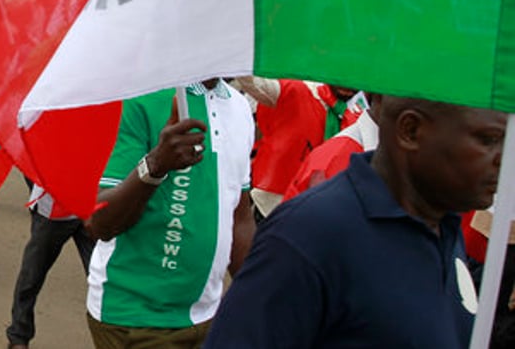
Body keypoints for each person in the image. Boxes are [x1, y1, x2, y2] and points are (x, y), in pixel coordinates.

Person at [204, 95, 505, 348]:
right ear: (411, 131)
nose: (504, 157)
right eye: (488, 140)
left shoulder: (444, 226)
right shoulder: (309, 236)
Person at [85, 80, 255, 348]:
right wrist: (156, 166)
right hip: (137, 318)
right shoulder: (138, 97)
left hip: (208, 316)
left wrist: (258, 295)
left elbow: (240, 216)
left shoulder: (240, 107)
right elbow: (99, 223)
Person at [235, 77, 363, 218]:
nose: (347, 84)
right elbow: (253, 82)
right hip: (271, 206)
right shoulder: (297, 90)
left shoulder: (359, 116)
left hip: (319, 212)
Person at [6, 187, 96, 349]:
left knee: (102, 278)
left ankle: (114, 335)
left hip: (94, 206)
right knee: (32, 274)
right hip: (53, 211)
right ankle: (18, 336)